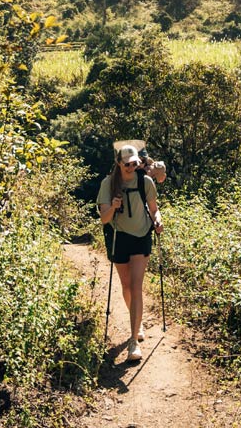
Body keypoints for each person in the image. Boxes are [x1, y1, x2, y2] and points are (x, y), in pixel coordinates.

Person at [98, 144, 161, 360]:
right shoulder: (108, 184)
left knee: (136, 286)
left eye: (134, 163)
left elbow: (154, 209)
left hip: (142, 234)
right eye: (127, 164)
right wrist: (113, 207)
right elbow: (104, 218)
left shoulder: (145, 181)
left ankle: (134, 341)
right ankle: (138, 321)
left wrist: (158, 220)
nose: (131, 167)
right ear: (118, 163)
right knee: (126, 286)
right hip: (119, 236)